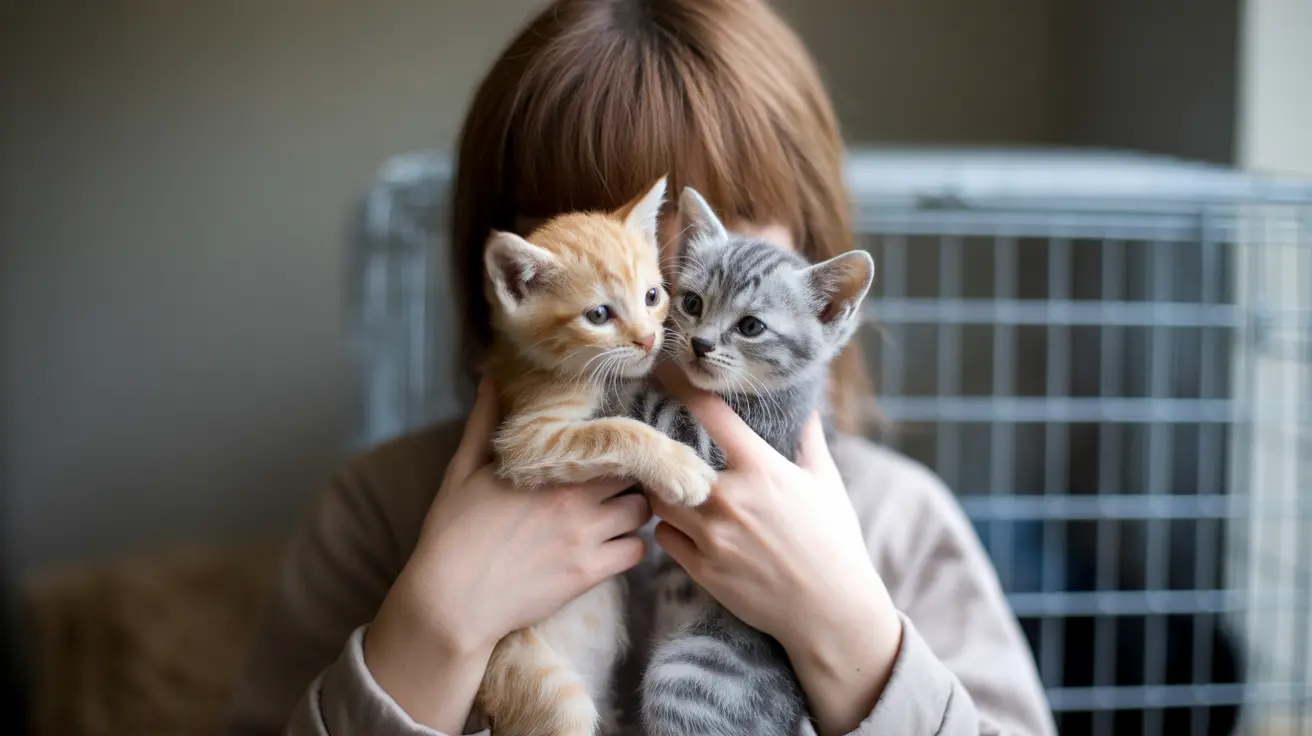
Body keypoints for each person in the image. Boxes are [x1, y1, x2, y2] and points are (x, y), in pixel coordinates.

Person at [223, 1, 1056, 734]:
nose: (655, 282)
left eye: (718, 220)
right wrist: (431, 632)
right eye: (593, 223)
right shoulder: (380, 510)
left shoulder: (897, 521)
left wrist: (851, 636)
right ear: (508, 271)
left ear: (812, 245)